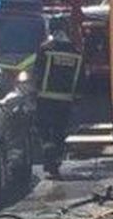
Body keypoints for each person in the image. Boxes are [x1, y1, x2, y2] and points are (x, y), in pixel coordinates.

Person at [20, 25, 81, 178]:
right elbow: (81, 77)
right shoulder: (75, 51)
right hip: (65, 100)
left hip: (46, 99)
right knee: (60, 131)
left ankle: (49, 156)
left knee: (44, 129)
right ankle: (56, 159)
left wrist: (33, 92)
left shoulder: (46, 49)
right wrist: (78, 97)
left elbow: (37, 71)